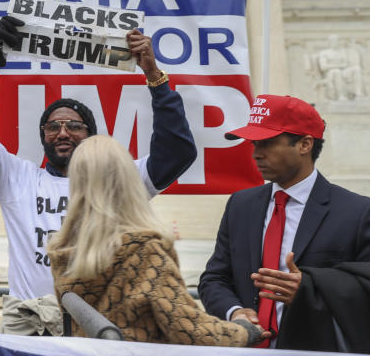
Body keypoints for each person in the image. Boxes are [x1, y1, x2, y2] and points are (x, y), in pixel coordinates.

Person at [0, 16, 197, 332]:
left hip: (96, 324)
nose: (63, 132)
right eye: (53, 126)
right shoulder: (18, 177)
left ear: (91, 135)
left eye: (74, 126)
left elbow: (177, 152)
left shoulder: (117, 179)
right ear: (43, 137)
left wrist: (153, 74)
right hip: (28, 324)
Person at [198, 94, 370, 350]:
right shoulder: (241, 205)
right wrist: (236, 312)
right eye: (253, 144)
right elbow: (215, 277)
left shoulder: (359, 213)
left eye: (266, 143)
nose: (255, 154)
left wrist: (311, 289)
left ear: (305, 144)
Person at [46, 135, 264, 346]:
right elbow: (188, 330)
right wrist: (244, 331)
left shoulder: (63, 252)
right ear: (128, 179)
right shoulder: (145, 251)